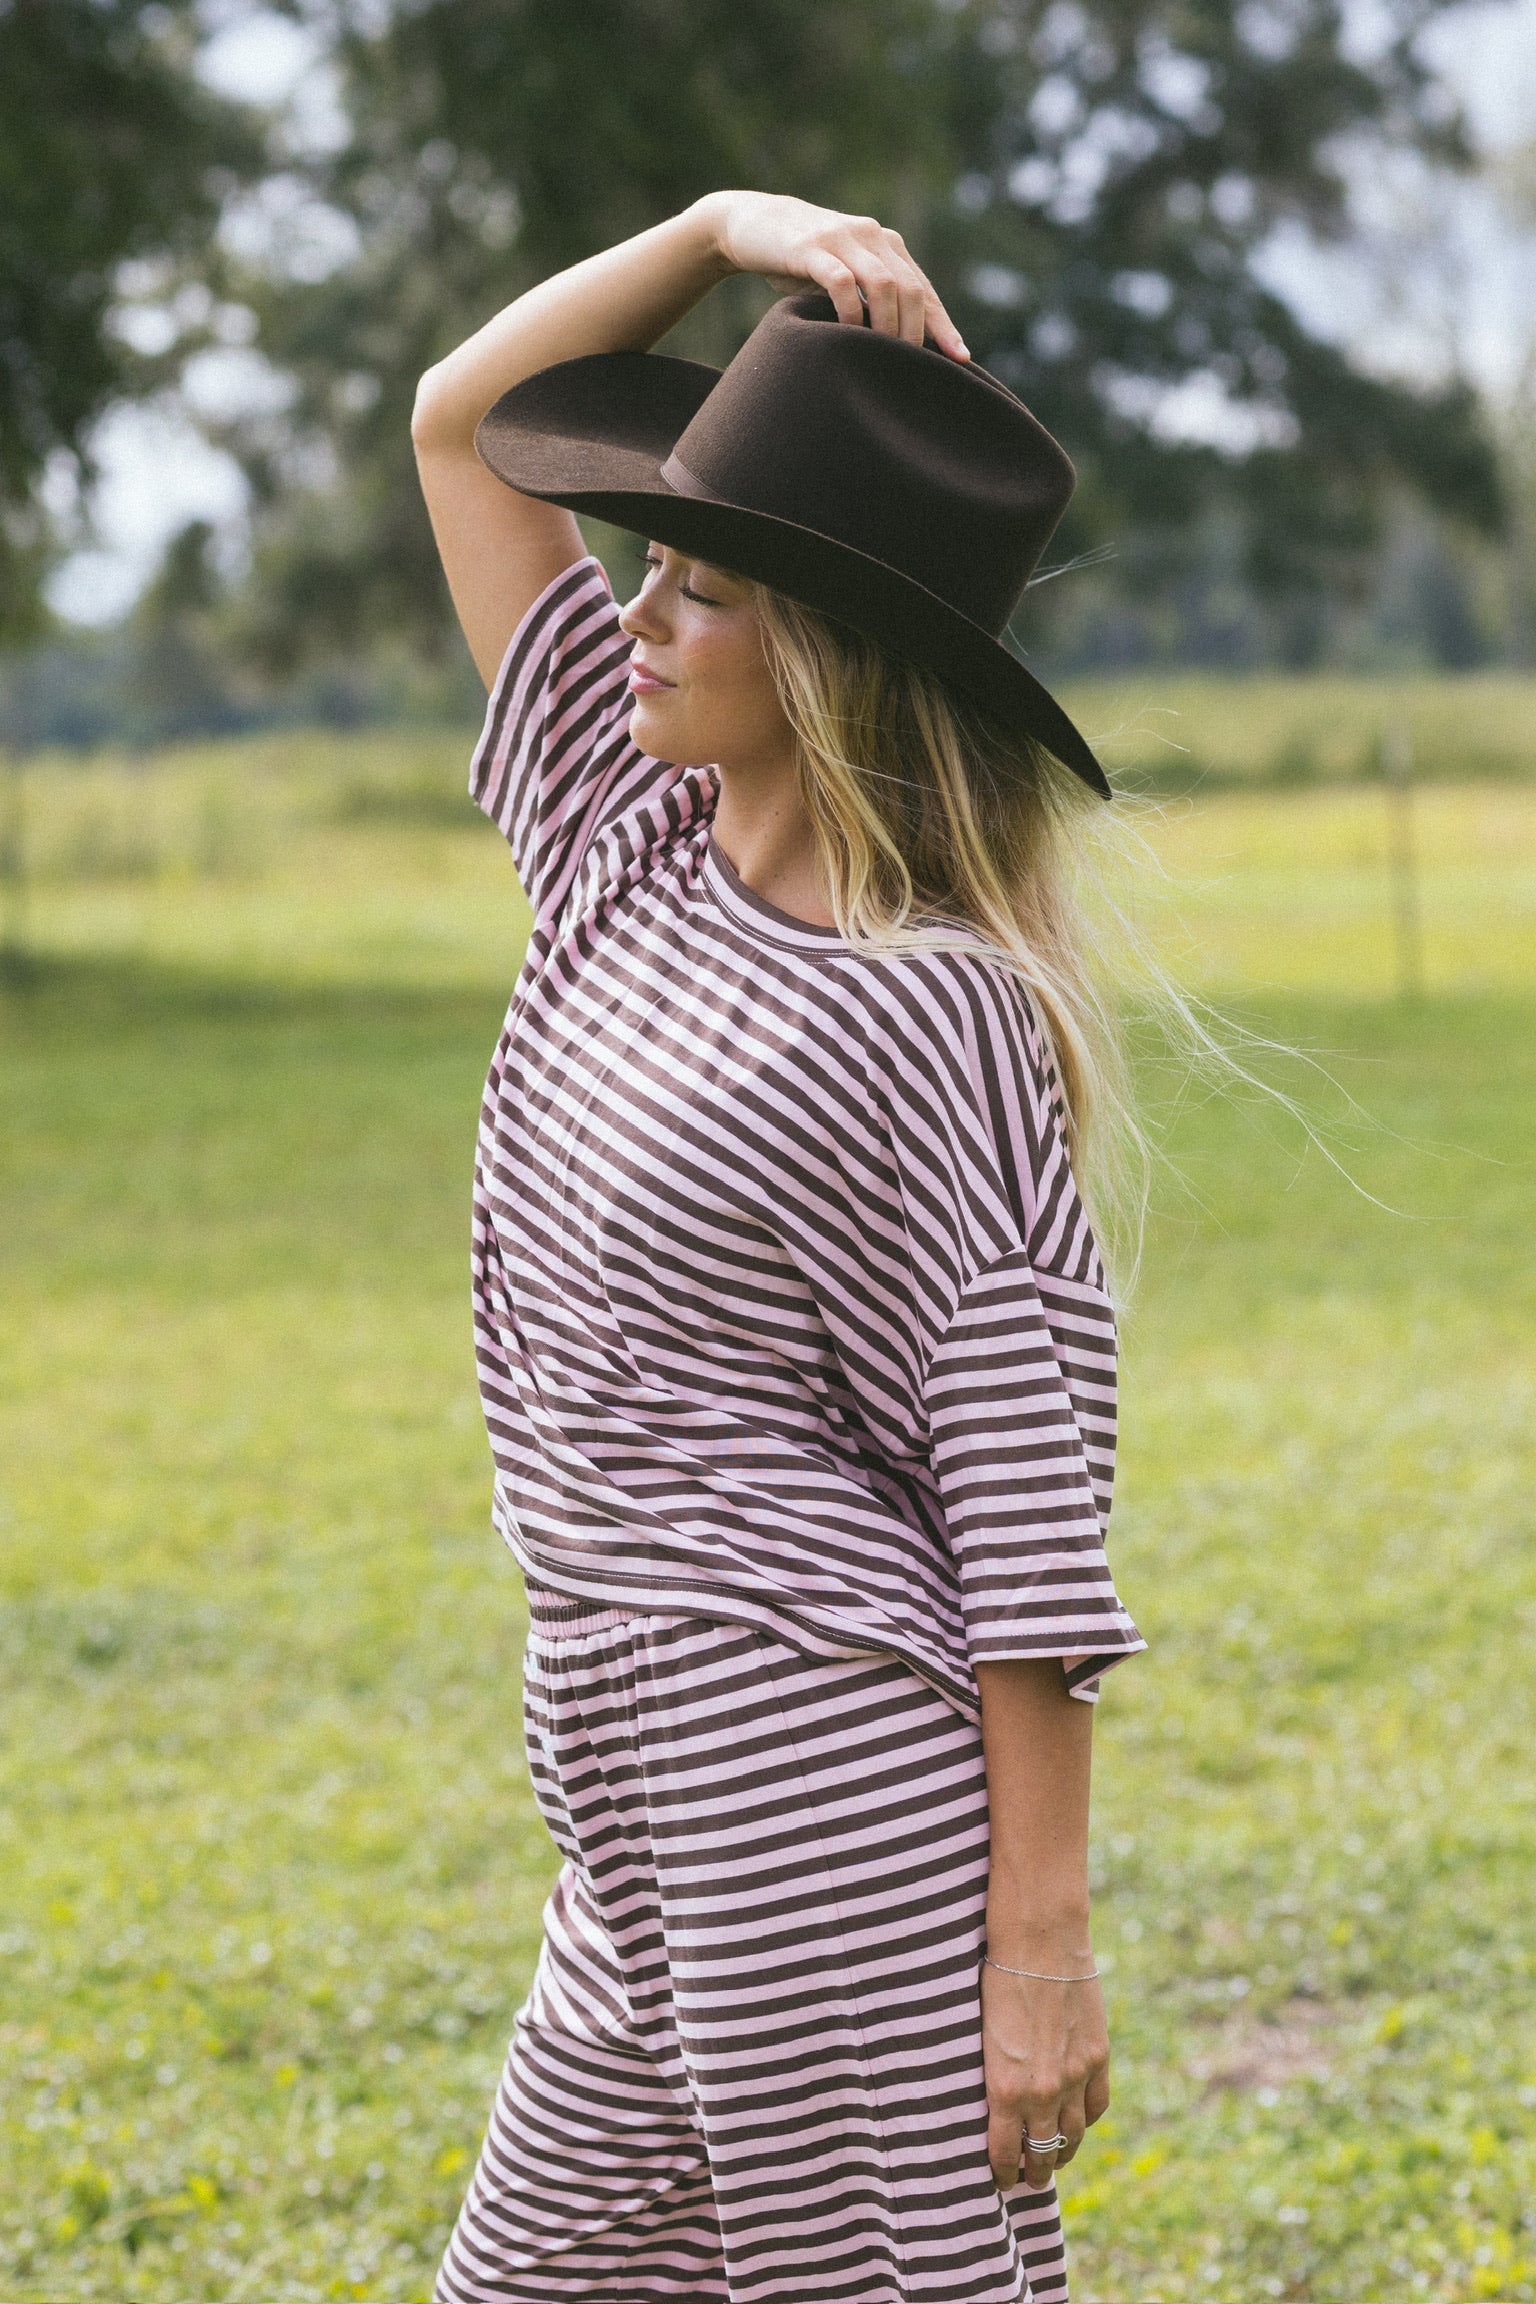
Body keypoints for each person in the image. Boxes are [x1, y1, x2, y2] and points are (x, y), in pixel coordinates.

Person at [411, 189, 1146, 2304]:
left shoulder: (930, 1011)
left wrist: (1041, 1947)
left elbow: (1024, 1508)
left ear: (825, 655)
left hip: (814, 1782)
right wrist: (720, 228)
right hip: (619, 1773)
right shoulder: (617, 834)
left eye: (702, 587)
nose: (641, 613)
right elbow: (464, 423)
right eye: (649, 563)